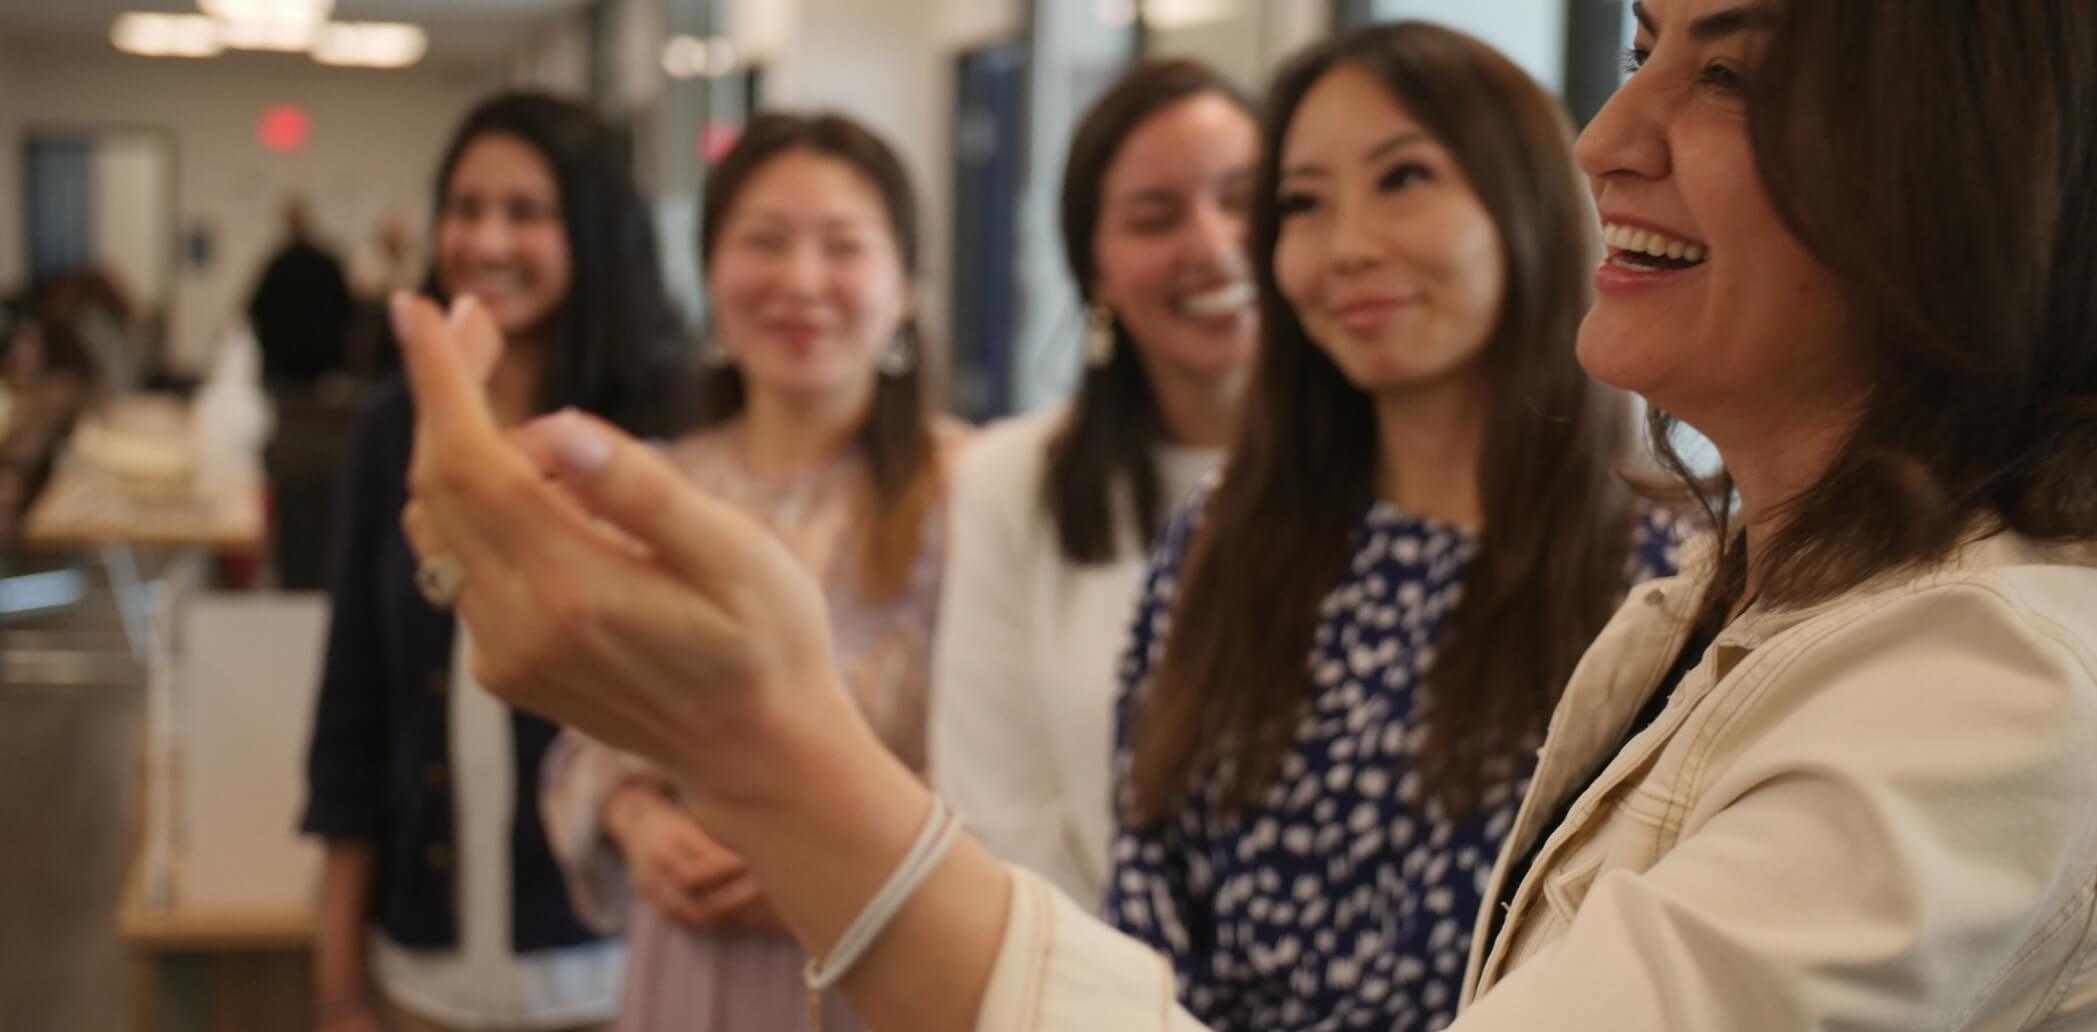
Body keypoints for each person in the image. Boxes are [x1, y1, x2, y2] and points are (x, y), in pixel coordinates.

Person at [388, 1, 2097, 1028]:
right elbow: (1116, 865)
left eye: (1731, 74)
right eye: (1641, 48)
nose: (1608, 136)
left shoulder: (1976, 678)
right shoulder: (1714, 588)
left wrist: (768, 747)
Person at [1103, 24, 1675, 1031]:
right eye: (1303, 203)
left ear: (1525, 199)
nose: (1347, 246)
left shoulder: (1669, 578)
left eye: (1403, 178)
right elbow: (1144, 901)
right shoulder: (1221, 536)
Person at [540, 111, 969, 1032]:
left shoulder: (971, 491)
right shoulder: (657, 486)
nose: (800, 281)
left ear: (905, 286)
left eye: (842, 247)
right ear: (710, 271)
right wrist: (637, 823)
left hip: (886, 970)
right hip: (682, 963)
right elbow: (586, 735)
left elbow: (1004, 771)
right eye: (763, 242)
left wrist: (818, 868)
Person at [299, 92, 688, 1032]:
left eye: (526, 212)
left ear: (591, 231)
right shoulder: (394, 427)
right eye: (465, 208)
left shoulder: (663, 431)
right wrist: (337, 981)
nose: (486, 240)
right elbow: (354, 696)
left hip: (619, 961)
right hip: (425, 956)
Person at [929, 58, 1259, 909]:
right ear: (1096, 268)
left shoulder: (1399, 470)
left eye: (1243, 200)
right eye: (1155, 217)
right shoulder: (1010, 481)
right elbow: (997, 811)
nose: (1212, 245)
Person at [248, 197, 356, 389]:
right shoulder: (326, 264)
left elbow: (256, 309)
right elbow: (347, 309)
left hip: (284, 361)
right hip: (320, 359)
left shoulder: (278, 265)